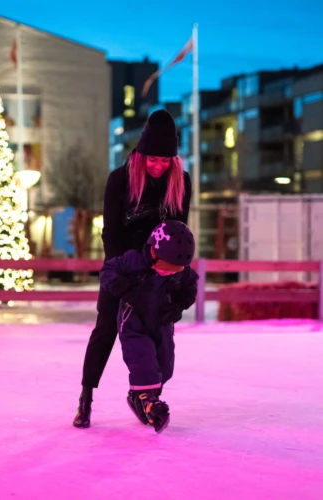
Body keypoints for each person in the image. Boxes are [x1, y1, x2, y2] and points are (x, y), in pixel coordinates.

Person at [74, 109, 192, 428]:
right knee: (105, 331)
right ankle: (86, 398)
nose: (157, 166)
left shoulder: (180, 183)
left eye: (164, 160)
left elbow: (181, 235)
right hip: (123, 267)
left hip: (160, 273)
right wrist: (124, 279)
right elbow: (110, 233)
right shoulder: (120, 180)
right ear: (140, 154)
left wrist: (175, 285)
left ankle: (144, 398)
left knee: (158, 336)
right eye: (152, 159)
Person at [99, 220, 198, 432]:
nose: (170, 273)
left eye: (175, 271)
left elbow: (190, 286)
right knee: (143, 360)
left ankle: (141, 396)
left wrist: (178, 306)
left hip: (162, 321)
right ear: (154, 251)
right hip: (134, 321)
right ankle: (149, 401)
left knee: (165, 365)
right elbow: (108, 271)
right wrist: (127, 291)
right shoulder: (133, 260)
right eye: (166, 269)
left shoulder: (180, 270)